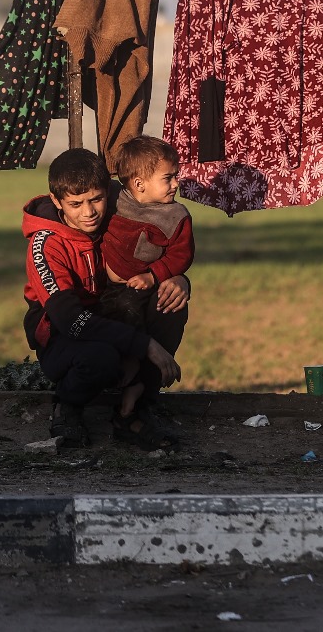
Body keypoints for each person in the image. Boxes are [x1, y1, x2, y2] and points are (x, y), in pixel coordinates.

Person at [23, 148, 181, 450]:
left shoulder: (119, 216)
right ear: (57, 202)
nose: (89, 212)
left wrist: (177, 278)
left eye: (96, 199)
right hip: (63, 333)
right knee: (100, 358)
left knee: (169, 301)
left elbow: (162, 247)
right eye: (75, 204)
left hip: (112, 312)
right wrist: (144, 345)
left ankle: (135, 408)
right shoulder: (45, 245)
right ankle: (67, 406)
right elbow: (69, 320)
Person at [99, 134, 193, 360]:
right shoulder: (115, 200)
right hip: (105, 287)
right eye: (168, 178)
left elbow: (181, 255)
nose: (176, 184)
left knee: (132, 311)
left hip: (142, 291)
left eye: (176, 176)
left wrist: (153, 276)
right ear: (139, 184)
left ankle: (143, 369)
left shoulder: (175, 216)